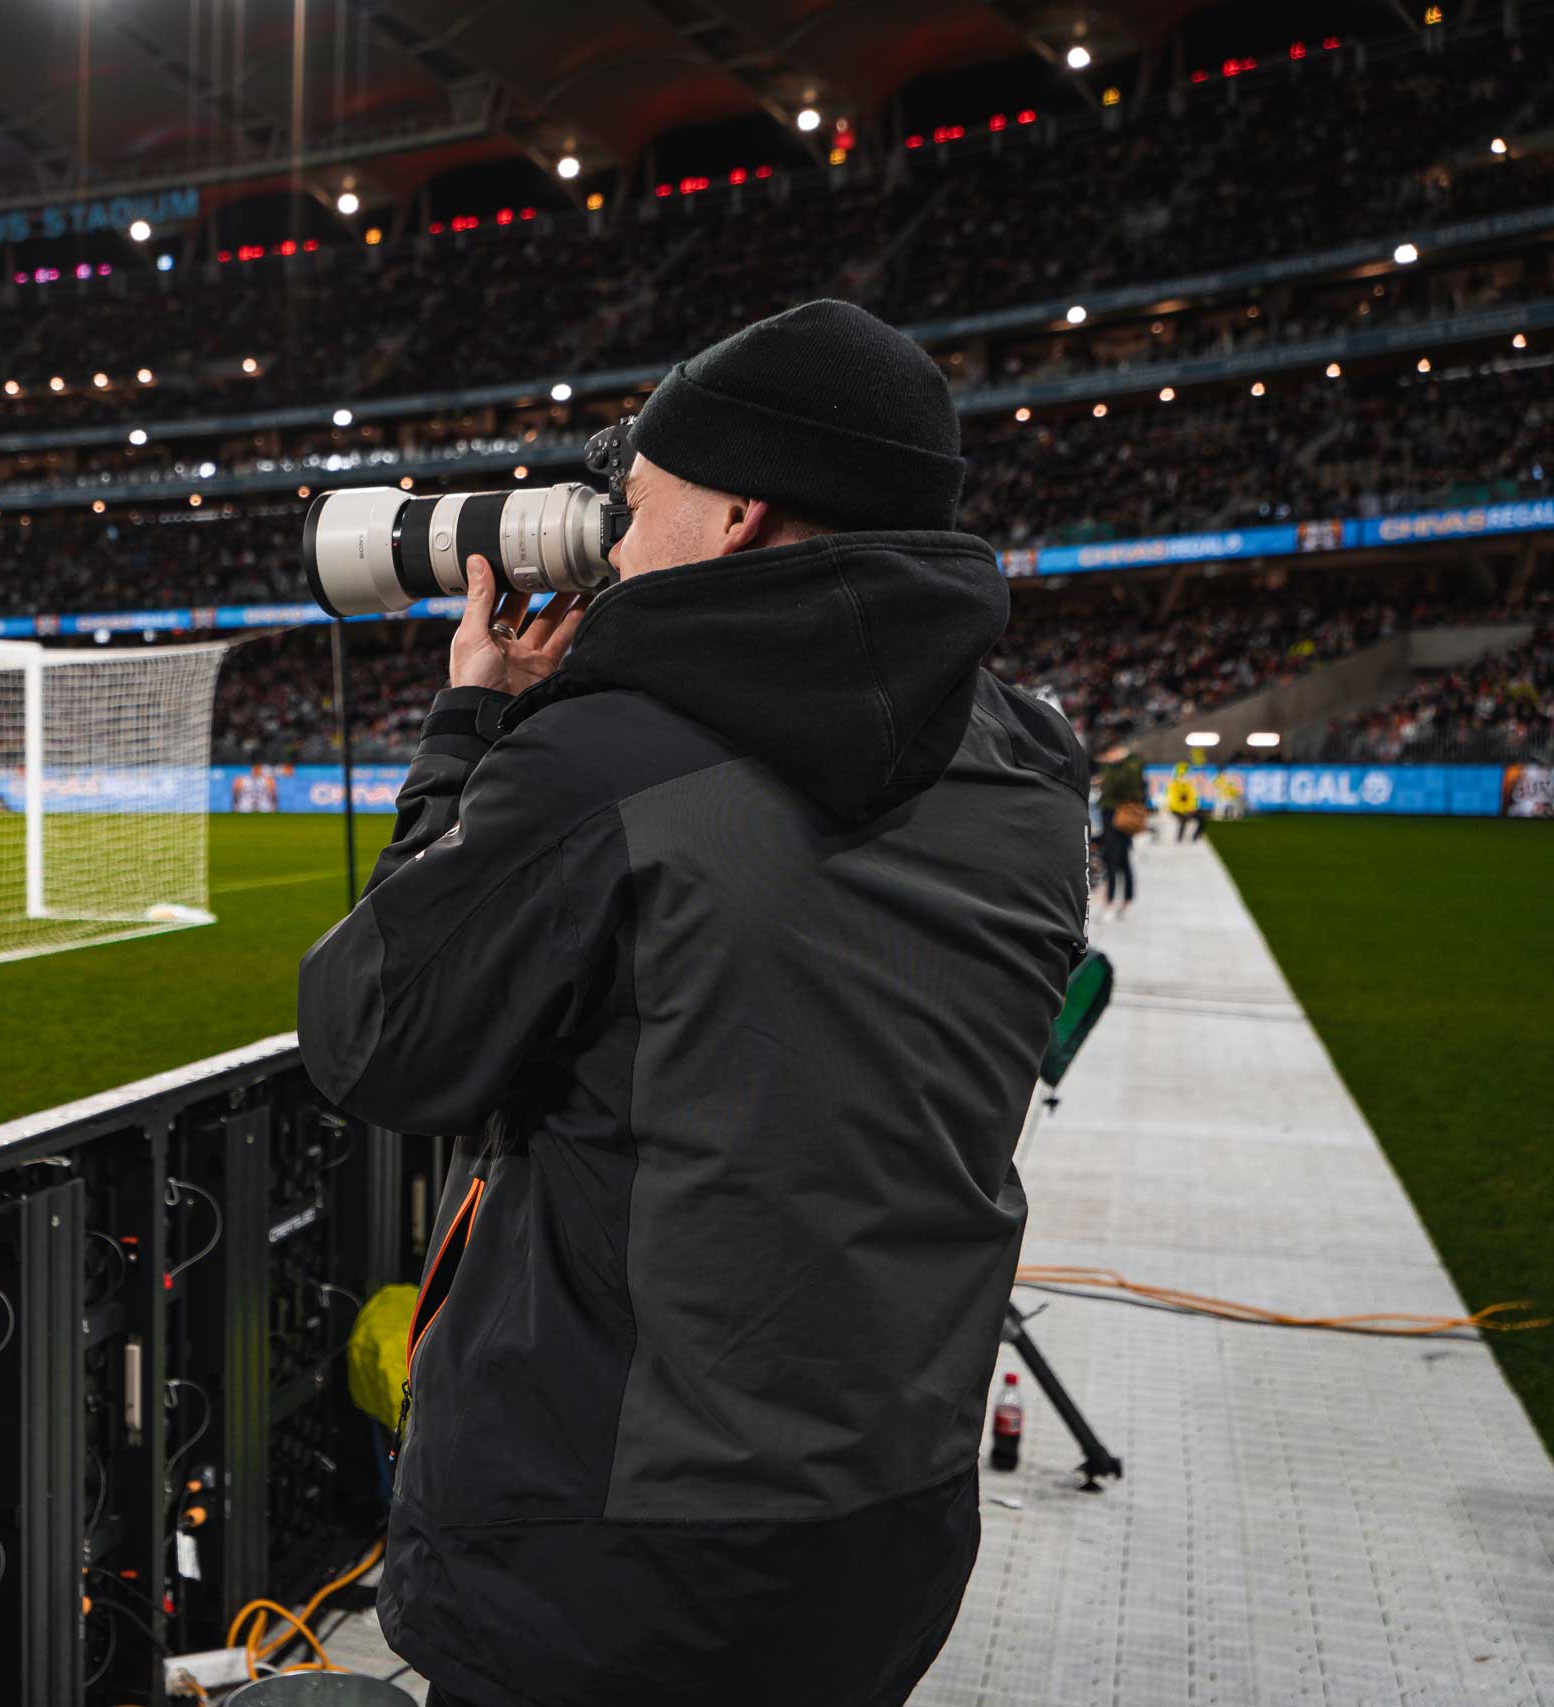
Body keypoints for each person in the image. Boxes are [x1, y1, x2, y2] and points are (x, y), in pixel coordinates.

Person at [298, 300, 1088, 1707]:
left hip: (608, 1561)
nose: (611, 536)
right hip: (886, 1532)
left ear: (735, 516)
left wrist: (473, 726)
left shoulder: (611, 759)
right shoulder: (1034, 776)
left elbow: (376, 1031)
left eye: (636, 503)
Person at [1097, 743, 1146, 918]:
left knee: (1116, 859)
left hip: (1120, 816)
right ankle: (1123, 901)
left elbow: (1115, 788)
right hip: (1114, 815)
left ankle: (1113, 902)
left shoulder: (1128, 767)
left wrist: (1112, 765)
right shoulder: (1122, 767)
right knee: (1118, 859)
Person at [1165, 762, 1202, 841]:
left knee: (1202, 819)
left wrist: (1192, 809)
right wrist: (1184, 811)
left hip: (1187, 810)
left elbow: (1193, 799)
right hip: (1175, 809)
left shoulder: (1189, 785)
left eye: (1186, 775)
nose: (1184, 777)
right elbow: (1173, 802)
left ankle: (1195, 838)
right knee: (1183, 819)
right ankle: (1179, 839)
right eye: (1182, 775)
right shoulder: (1173, 785)